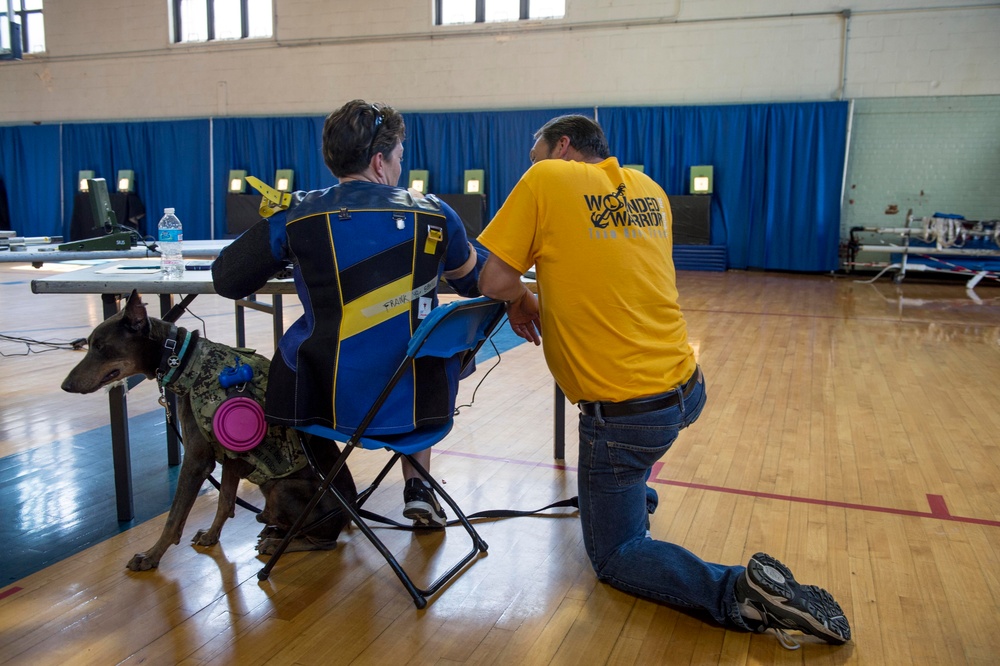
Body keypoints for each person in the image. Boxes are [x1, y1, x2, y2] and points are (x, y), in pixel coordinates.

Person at [476, 114, 851, 648]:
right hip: (684, 388)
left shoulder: (545, 179)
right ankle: (631, 495)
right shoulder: (648, 188)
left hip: (626, 416)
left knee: (615, 556)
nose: (529, 167)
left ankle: (739, 593)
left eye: (534, 154)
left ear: (562, 147)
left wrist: (520, 296)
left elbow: (495, 279)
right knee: (628, 466)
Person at [213, 99, 486, 528]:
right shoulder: (435, 212)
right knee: (421, 344)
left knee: (294, 362)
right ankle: (419, 485)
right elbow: (477, 283)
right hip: (419, 402)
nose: (398, 168)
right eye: (397, 158)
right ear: (380, 161)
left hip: (325, 401)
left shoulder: (299, 214)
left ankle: (329, 492)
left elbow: (228, 279)